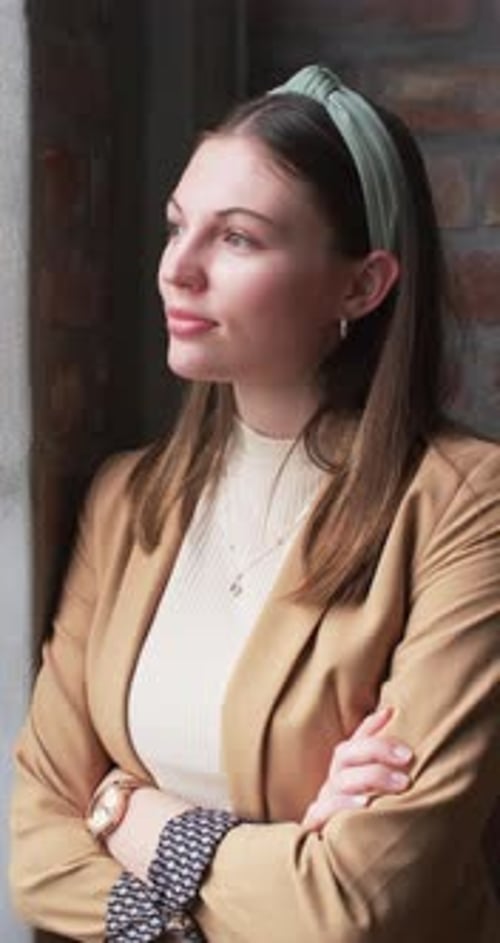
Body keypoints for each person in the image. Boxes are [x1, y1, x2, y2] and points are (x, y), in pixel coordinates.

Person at [9, 63, 500, 943]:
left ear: (361, 285)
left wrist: (122, 806)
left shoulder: (467, 505)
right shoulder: (128, 500)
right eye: (177, 227)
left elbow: (354, 905)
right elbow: (36, 855)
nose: (177, 270)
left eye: (237, 239)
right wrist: (271, 856)